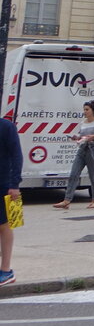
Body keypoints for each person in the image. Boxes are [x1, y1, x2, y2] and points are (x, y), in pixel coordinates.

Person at [52, 100, 94, 210]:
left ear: (93, 110)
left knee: (93, 176)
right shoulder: (83, 122)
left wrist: (93, 136)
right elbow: (81, 135)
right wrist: (76, 137)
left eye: (87, 109)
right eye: (84, 110)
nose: (85, 112)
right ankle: (67, 200)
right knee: (74, 174)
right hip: (82, 149)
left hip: (93, 150)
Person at [0, 116, 21, 286]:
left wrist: (15, 184)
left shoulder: (7, 127)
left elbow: (17, 156)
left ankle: (6, 271)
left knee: (5, 225)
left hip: (5, 185)